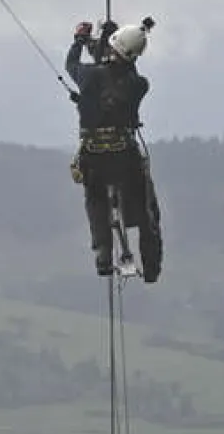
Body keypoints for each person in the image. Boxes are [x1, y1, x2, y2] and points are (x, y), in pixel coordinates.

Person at [67, 17, 161, 282]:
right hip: (125, 158)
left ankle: (103, 256)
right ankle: (151, 266)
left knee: (95, 199)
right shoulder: (139, 85)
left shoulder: (89, 76)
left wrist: (79, 40)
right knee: (147, 207)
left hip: (93, 157)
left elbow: (72, 66)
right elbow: (123, 77)